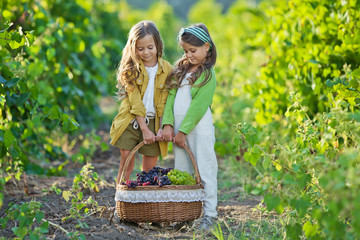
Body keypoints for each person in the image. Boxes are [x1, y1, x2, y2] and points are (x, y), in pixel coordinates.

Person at [162, 23, 218, 230]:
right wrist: (168, 124)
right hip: (179, 131)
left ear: (207, 47)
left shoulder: (207, 75)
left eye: (193, 51)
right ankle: (185, 214)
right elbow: (170, 98)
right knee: (183, 171)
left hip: (198, 130)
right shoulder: (181, 71)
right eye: (185, 51)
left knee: (205, 169)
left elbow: (198, 107)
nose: (188, 55)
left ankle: (210, 215)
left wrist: (184, 131)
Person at [110, 20, 172, 185]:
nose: (146, 52)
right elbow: (135, 102)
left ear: (158, 45)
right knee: (127, 160)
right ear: (133, 48)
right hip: (131, 121)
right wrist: (144, 129)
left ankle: (143, 203)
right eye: (140, 48)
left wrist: (162, 126)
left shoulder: (167, 70)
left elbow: (167, 101)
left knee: (149, 169)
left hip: (154, 121)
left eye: (150, 47)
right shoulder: (131, 69)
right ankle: (121, 199)